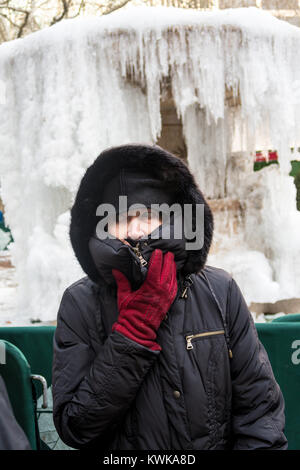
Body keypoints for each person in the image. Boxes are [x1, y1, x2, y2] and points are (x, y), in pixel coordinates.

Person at [52, 143, 288, 450]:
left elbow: (260, 412)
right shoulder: (79, 303)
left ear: (173, 219)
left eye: (149, 214)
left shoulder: (220, 290)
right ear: (103, 227)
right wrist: (133, 334)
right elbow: (76, 427)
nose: (136, 230)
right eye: (122, 218)